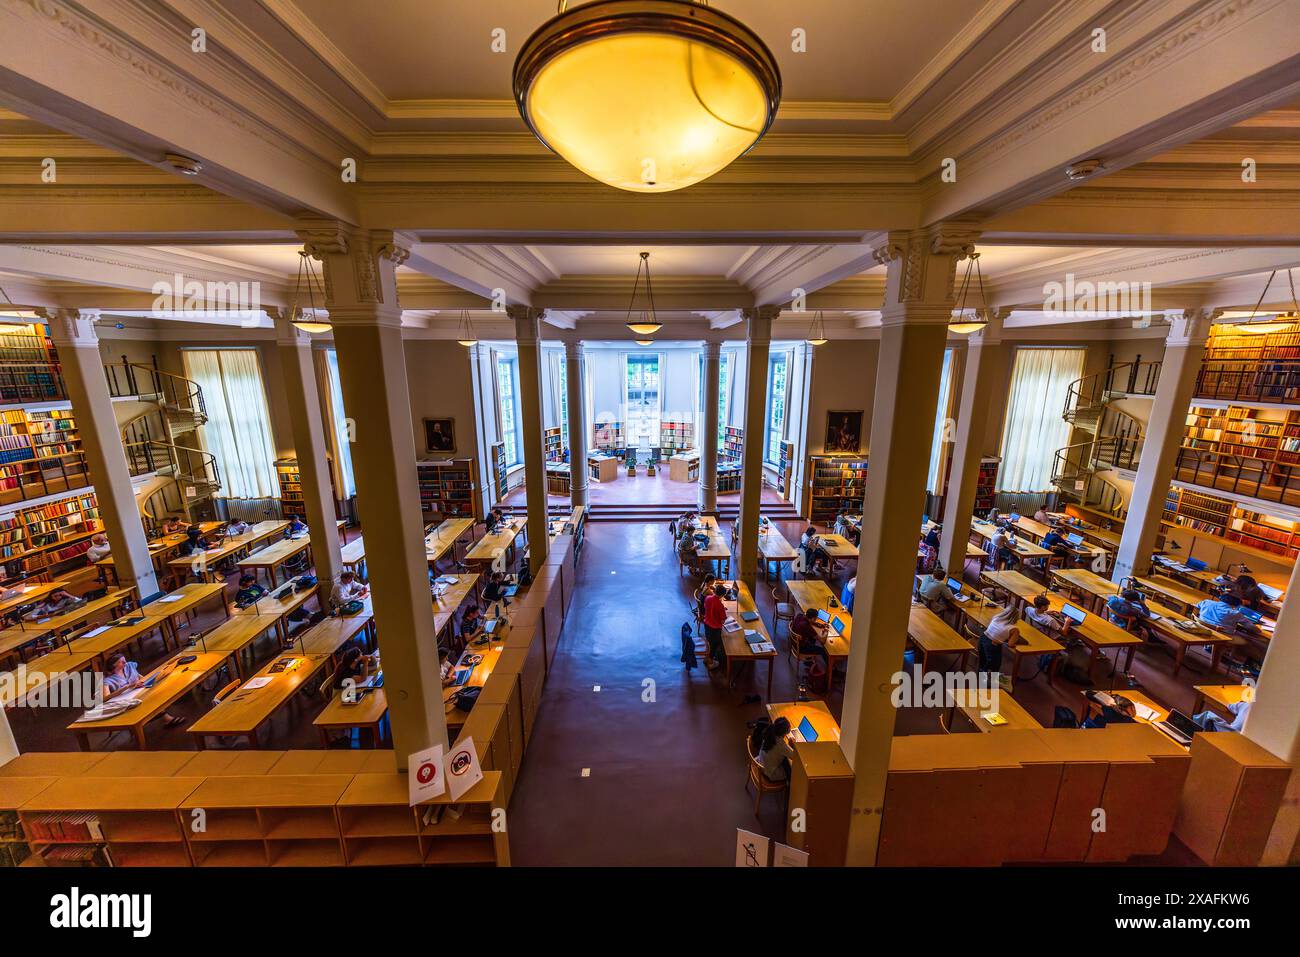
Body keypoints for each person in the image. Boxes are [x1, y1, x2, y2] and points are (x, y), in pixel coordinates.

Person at [101, 653, 185, 726]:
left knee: (157, 691)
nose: (125, 663)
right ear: (113, 665)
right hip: (128, 701)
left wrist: (144, 681)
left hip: (140, 691)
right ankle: (167, 719)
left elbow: (139, 676)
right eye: (121, 662)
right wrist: (127, 687)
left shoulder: (129, 666)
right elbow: (106, 697)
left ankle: (167, 715)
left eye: (124, 660)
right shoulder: (108, 680)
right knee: (149, 701)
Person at [979, 604, 1020, 674]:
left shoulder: (996, 617)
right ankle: (987, 680)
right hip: (992, 644)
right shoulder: (1014, 629)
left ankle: (981, 672)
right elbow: (1010, 644)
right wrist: (1001, 642)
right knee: (994, 665)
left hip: (982, 638)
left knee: (983, 660)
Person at [756, 716, 796, 783]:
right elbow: (794, 756)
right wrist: (793, 745)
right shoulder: (781, 744)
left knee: (785, 760)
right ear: (785, 732)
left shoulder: (769, 733)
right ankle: (788, 787)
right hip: (770, 773)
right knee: (792, 771)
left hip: (760, 762)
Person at [701, 582, 728, 671]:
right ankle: (711, 662)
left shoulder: (708, 598)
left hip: (706, 624)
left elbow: (706, 608)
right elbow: (723, 619)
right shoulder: (720, 605)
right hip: (715, 629)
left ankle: (707, 658)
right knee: (715, 645)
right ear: (722, 595)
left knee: (710, 642)